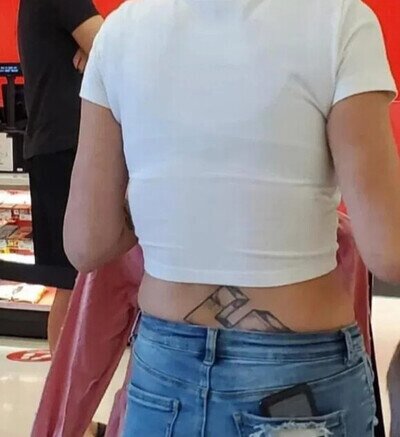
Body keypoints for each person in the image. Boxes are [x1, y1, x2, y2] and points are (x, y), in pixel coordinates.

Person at [65, 0, 400, 434]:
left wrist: (171, 203)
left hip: (164, 368)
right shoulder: (340, 20)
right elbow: (389, 249)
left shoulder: (119, 32)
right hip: (297, 377)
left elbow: (86, 241)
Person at [18, 1, 104, 436]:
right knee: (73, 282)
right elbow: (109, 45)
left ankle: (71, 419)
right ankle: (69, 422)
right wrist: (99, 51)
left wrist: (98, 53)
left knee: (74, 282)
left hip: (61, 147)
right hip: (65, 148)